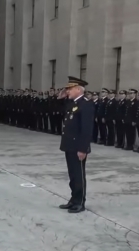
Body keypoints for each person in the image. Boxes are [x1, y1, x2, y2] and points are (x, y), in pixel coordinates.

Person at [58, 76, 94, 214]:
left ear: (78, 89)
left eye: (70, 89)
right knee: (72, 174)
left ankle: (80, 202)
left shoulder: (86, 104)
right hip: (69, 145)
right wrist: (60, 98)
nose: (67, 91)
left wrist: (83, 148)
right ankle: (73, 199)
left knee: (79, 174)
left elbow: (86, 129)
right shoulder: (72, 103)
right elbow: (59, 110)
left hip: (78, 146)